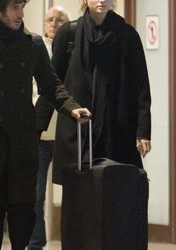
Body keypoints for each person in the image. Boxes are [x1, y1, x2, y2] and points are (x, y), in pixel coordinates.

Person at [0, 1, 91, 250]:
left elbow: (50, 84)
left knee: (23, 215)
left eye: (22, 7)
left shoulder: (32, 44)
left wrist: (70, 106)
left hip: (22, 148)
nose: (21, 14)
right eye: (14, 8)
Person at [35, 0, 152, 186]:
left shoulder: (127, 35)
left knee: (114, 193)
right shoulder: (68, 33)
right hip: (76, 128)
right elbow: (52, 83)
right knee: (78, 197)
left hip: (116, 128)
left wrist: (143, 131)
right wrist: (36, 128)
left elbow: (140, 86)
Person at [28, 6, 70, 250]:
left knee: (74, 193)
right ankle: (35, 243)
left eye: (59, 20)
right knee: (35, 195)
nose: (54, 24)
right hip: (40, 133)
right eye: (50, 19)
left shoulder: (72, 48)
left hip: (66, 134)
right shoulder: (35, 49)